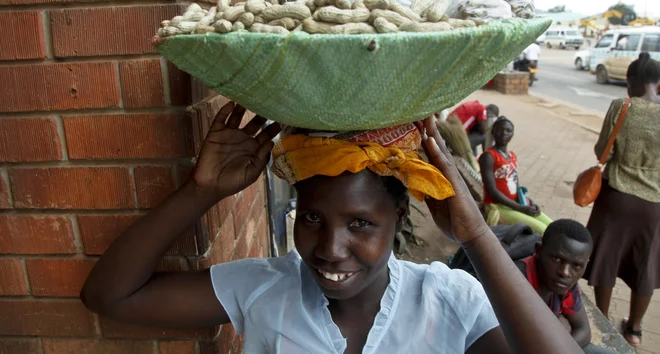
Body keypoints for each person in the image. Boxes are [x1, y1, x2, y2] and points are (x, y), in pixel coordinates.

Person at [80, 103, 583, 353]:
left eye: (361, 223)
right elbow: (111, 296)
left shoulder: (448, 300)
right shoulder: (265, 290)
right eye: (313, 218)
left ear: (400, 219)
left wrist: (474, 236)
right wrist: (202, 190)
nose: (329, 248)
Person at [584, 52, 660, 348]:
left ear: (632, 81)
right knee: (646, 264)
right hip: (653, 204)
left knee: (606, 258)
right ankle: (635, 330)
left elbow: (603, 151)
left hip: (615, 198)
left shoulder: (622, 107)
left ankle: (603, 321)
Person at [516, 219, 612, 353]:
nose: (565, 272)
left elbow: (583, 330)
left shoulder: (564, 283)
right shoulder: (516, 282)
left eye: (577, 265)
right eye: (556, 259)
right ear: (538, 251)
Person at [479, 116, 553, 234]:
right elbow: (492, 191)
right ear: (493, 132)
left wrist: (529, 202)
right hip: (498, 207)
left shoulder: (512, 155)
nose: (504, 133)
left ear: (513, 134)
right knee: (542, 230)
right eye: (500, 130)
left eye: (508, 130)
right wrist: (519, 208)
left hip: (514, 204)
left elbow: (516, 184)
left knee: (552, 226)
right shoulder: (488, 156)